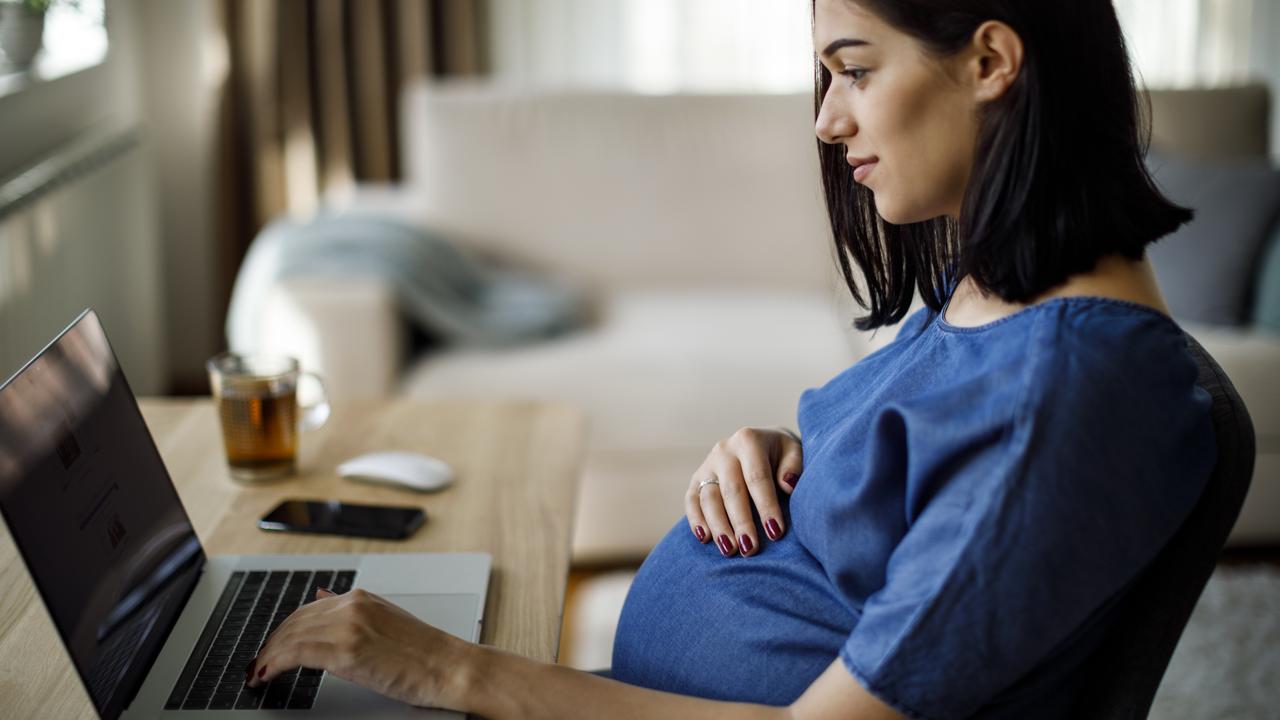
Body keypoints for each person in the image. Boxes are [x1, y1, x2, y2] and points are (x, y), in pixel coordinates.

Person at [246, 1, 1216, 717]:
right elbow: (942, 478)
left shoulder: (1065, 395)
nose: (825, 121)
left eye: (854, 70)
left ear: (990, 60)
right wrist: (801, 456)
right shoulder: (998, 295)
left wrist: (451, 672)